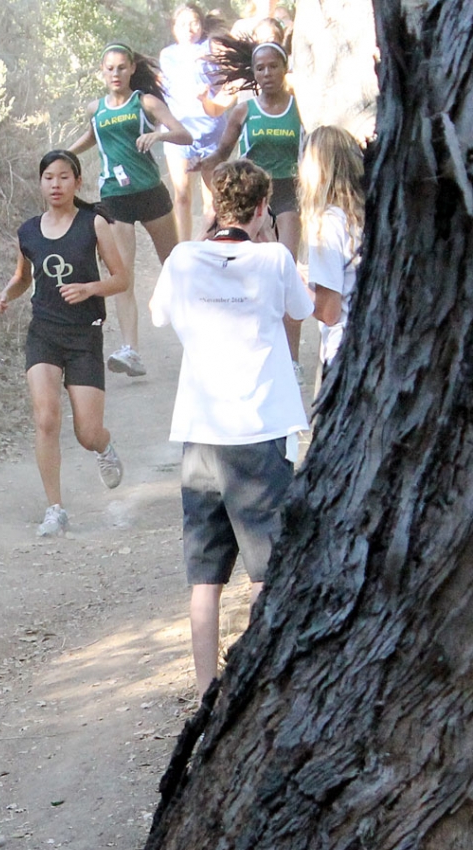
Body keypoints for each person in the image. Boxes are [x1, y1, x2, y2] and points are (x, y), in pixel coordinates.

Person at [149, 159, 313, 702]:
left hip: (200, 431)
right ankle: (268, 684)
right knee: (265, 569)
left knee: (205, 575)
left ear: (214, 205)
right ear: (264, 207)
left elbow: (159, 316)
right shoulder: (273, 259)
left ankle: (204, 692)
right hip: (259, 429)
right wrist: (264, 238)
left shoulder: (183, 258)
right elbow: (302, 309)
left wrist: (198, 239)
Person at [0, 150, 129, 537]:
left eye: (64, 177)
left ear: (77, 182)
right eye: (49, 177)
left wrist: (89, 288)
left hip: (84, 333)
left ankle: (104, 446)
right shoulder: (28, 231)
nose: (56, 184)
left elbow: (122, 279)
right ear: (40, 183)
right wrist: (5, 295)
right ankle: (55, 508)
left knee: (87, 432)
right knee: (46, 418)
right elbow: (23, 278)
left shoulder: (94, 224)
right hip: (44, 332)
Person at [67, 43, 192, 378]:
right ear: (101, 72)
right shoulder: (96, 108)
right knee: (122, 276)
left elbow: (185, 134)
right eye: (109, 68)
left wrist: (158, 136)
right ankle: (130, 350)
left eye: (121, 67)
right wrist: (63, 155)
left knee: (175, 266)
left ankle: (197, 338)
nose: (115, 74)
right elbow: (93, 136)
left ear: (132, 68)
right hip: (115, 196)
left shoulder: (145, 102)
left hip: (150, 191)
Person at [196, 38, 304, 373]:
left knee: (284, 269)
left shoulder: (300, 108)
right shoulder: (244, 110)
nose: (268, 72)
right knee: (246, 273)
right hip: (251, 195)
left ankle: (293, 360)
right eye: (261, 68)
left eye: (274, 66)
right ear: (254, 73)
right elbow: (222, 153)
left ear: (285, 69)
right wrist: (209, 170)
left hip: (288, 193)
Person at [298, 125, 365, 383]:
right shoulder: (365, 214)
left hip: (343, 352)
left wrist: (297, 281)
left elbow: (328, 311)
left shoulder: (326, 225)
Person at [159, 4, 227, 242]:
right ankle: (184, 246)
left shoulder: (212, 48)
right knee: (182, 195)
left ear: (202, 25)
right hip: (178, 131)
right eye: (182, 24)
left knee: (212, 196)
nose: (189, 29)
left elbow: (227, 82)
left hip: (211, 131)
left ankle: (207, 244)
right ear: (174, 28)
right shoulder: (167, 55)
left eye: (194, 23)